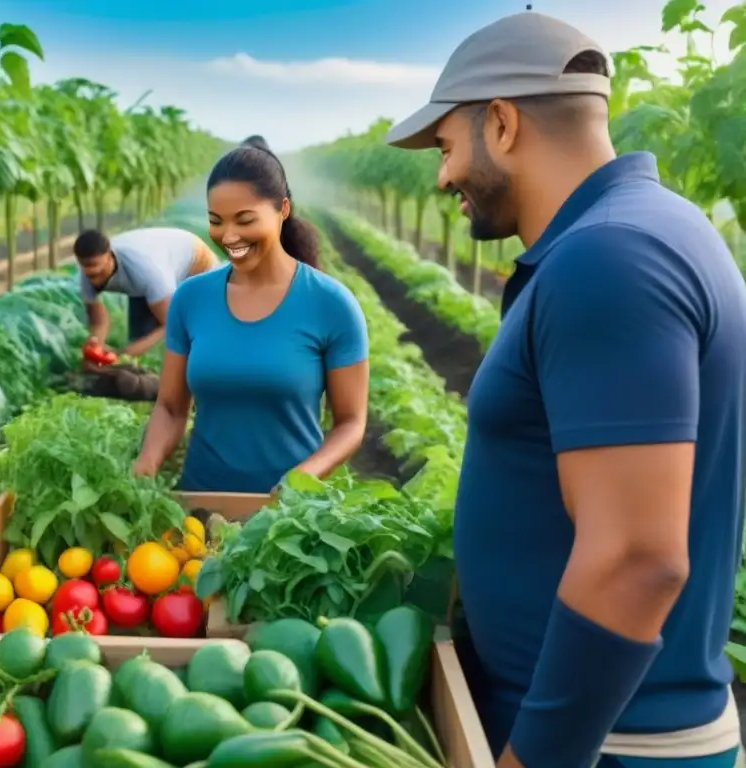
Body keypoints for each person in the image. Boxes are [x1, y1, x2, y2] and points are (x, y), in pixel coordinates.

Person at [385, 10, 746, 768]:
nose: (443, 175)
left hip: (608, 746)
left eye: (447, 146)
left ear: (505, 124)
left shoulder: (609, 260)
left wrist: (535, 756)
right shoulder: (646, 232)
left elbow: (638, 558)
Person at [131, 139, 369, 493]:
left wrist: (301, 479)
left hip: (289, 521)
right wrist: (145, 466)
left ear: (282, 209)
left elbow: (350, 422)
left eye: (245, 220)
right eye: (216, 221)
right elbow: (169, 407)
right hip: (200, 507)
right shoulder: (190, 299)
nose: (228, 236)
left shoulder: (332, 304)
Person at [74, 227, 219, 358]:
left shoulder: (146, 271)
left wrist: (125, 354)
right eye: (86, 268)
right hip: (155, 267)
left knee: (197, 337)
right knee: (139, 338)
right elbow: (99, 322)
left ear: (109, 256)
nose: (93, 278)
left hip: (196, 260)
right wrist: (95, 346)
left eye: (96, 268)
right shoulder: (87, 275)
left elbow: (171, 324)